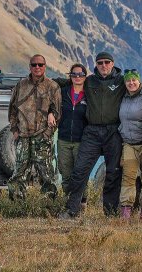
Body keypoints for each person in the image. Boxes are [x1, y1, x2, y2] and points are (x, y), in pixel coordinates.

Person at [60, 51, 127, 219]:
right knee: (80, 170)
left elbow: (140, 86)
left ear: (112, 64)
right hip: (92, 131)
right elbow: (64, 84)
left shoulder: (121, 81)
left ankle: (111, 212)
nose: (103, 65)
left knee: (113, 172)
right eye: (100, 63)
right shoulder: (89, 81)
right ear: (95, 65)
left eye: (106, 62)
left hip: (113, 131)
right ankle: (72, 209)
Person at [7, 54, 61, 200]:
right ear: (29, 67)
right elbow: (12, 109)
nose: (37, 67)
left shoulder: (52, 87)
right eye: (34, 65)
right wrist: (14, 130)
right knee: (19, 172)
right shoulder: (20, 85)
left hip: (42, 135)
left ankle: (48, 205)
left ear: (45, 66)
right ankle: (16, 206)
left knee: (46, 173)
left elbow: (57, 112)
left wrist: (48, 133)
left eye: (40, 65)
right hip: (23, 136)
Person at [118, 69, 142, 220]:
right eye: (128, 80)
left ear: (139, 81)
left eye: (134, 80)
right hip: (128, 143)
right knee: (128, 177)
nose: (131, 83)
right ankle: (126, 211)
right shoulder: (123, 97)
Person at [57, 63, 88, 206]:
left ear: (85, 76)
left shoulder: (89, 94)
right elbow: (53, 106)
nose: (77, 77)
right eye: (74, 74)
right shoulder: (62, 92)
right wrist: (51, 113)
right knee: (65, 173)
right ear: (70, 76)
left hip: (81, 140)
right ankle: (68, 201)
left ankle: (82, 202)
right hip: (63, 139)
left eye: (80, 74)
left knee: (80, 174)